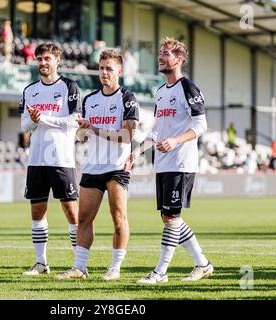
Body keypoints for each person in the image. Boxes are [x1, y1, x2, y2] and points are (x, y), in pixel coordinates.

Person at [125, 37, 213, 284]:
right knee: (168, 217)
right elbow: (157, 129)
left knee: (171, 217)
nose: (160, 57)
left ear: (179, 59)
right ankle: (203, 264)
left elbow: (202, 125)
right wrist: (137, 151)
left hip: (181, 163)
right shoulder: (161, 92)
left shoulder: (189, 88)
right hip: (163, 164)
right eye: (160, 53)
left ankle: (160, 272)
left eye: (166, 54)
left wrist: (175, 141)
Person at [55, 49, 139, 281]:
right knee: (83, 218)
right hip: (93, 166)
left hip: (117, 166)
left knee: (118, 216)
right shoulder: (90, 99)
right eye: (101, 68)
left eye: (109, 69)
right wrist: (81, 128)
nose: (104, 73)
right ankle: (79, 268)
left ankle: (115, 267)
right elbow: (82, 136)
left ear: (119, 72)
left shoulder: (127, 98)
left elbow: (127, 136)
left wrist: (94, 129)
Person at [19, 42, 81, 275]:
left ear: (57, 61)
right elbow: (24, 125)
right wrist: (34, 120)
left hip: (61, 160)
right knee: (37, 211)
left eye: (47, 59)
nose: (43, 63)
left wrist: (43, 118)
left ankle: (79, 263)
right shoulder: (29, 90)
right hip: (36, 160)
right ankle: (41, 263)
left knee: (71, 212)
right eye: (40, 59)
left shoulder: (69, 87)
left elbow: (74, 120)